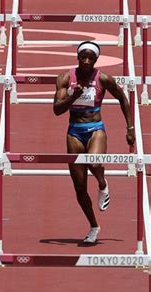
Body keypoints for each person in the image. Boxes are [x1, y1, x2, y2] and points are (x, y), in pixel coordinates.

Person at [53, 41, 135, 243]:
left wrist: (130, 128)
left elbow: (123, 98)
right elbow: (57, 110)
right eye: (83, 57)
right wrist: (74, 97)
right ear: (78, 58)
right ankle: (93, 226)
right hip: (74, 131)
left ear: (96, 60)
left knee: (94, 162)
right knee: (79, 187)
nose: (87, 61)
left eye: (91, 58)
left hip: (95, 128)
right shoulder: (65, 78)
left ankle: (102, 182)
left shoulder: (103, 78)